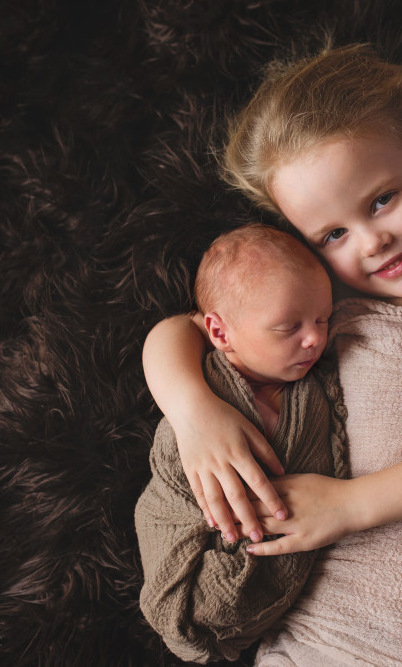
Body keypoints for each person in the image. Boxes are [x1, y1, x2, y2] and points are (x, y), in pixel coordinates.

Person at [142, 44, 402, 665]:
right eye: (332, 235)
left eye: (382, 199)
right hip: (322, 639)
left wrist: (350, 506)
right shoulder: (328, 311)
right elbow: (182, 331)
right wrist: (193, 412)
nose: (372, 241)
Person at [134, 224, 348, 663]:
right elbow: (173, 477)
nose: (314, 338)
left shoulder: (312, 388)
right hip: (200, 551)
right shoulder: (208, 385)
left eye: (322, 318)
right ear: (220, 333)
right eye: (289, 327)